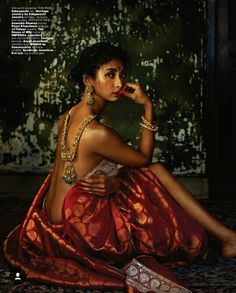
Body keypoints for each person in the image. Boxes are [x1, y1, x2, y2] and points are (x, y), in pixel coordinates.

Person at [4, 42, 236, 293]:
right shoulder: (97, 133)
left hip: (52, 220)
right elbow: (143, 159)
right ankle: (226, 238)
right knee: (154, 171)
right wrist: (147, 106)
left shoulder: (69, 115)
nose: (119, 84)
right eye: (110, 74)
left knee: (133, 177)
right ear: (88, 80)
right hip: (74, 231)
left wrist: (113, 181)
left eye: (122, 75)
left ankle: (226, 237)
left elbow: (84, 169)